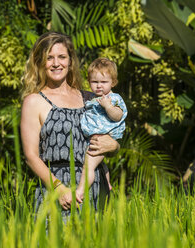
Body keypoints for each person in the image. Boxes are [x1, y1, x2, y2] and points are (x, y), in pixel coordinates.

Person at [20, 32, 119, 216]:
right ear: (41, 62)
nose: (56, 63)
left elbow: (110, 138)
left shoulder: (90, 98)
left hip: (95, 186)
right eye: (49, 58)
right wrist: (59, 189)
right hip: (57, 190)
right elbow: (31, 156)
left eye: (62, 57)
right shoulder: (34, 101)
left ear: (70, 61)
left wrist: (114, 146)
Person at [76, 58, 127, 200]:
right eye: (94, 82)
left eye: (104, 82)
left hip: (103, 137)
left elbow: (118, 115)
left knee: (88, 166)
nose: (99, 86)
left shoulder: (113, 98)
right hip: (94, 136)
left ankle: (80, 191)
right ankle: (108, 183)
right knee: (100, 164)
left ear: (113, 82)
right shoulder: (92, 98)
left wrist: (108, 106)